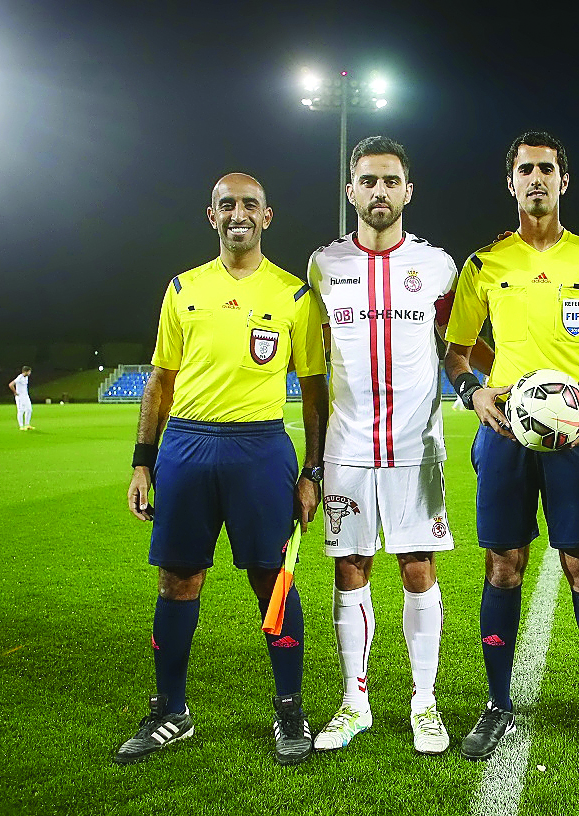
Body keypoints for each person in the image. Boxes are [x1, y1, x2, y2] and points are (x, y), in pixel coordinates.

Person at [117, 173, 328, 766]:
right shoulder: (183, 288)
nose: (239, 213)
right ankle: (171, 711)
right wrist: (142, 463)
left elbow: (315, 392)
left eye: (249, 205)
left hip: (260, 449)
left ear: (267, 216)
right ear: (212, 216)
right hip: (186, 446)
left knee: (272, 579)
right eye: (227, 205)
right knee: (178, 580)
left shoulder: (294, 295)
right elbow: (160, 381)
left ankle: (289, 709)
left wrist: (312, 471)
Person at [443, 131, 579, 763]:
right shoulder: (484, 265)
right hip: (506, 433)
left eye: (546, 169)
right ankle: (497, 704)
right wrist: (474, 392)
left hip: (576, 435)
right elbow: (456, 352)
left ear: (563, 181)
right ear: (511, 183)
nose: (536, 179)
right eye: (525, 170)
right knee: (503, 565)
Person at [306, 136, 493, 755]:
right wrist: (311, 460)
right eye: (368, 180)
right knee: (350, 567)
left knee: (418, 566)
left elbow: (461, 341)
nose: (379, 191)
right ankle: (354, 703)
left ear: (408, 191)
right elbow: (313, 361)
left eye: (390, 181)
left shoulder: (437, 266)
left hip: (419, 449)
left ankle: (424, 703)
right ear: (351, 190)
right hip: (347, 446)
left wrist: (506, 380)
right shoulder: (324, 265)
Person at [8, 366, 34, 430]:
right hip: (20, 397)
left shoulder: (26, 377)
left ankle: (27, 424)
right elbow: (11, 384)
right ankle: (21, 426)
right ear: (25, 371)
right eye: (29, 371)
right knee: (21, 410)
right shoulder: (20, 377)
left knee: (29, 409)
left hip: (26, 396)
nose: (30, 373)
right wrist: (15, 392)